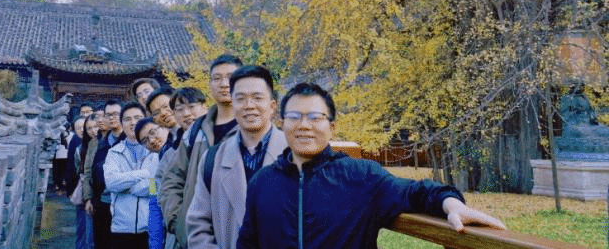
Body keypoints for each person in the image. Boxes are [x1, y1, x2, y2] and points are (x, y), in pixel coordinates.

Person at [236, 83, 506, 249]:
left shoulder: (361, 176)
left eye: (315, 117)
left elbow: (417, 192)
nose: (304, 125)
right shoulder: (262, 182)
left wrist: (452, 204)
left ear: (332, 126)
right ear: (281, 123)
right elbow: (248, 243)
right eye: (295, 116)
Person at [186, 65, 287, 249]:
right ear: (232, 105)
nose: (249, 105)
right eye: (241, 99)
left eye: (257, 98)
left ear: (272, 106)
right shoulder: (212, 159)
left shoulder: (294, 155)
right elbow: (198, 224)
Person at [159, 54, 242, 249]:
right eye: (217, 78)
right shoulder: (196, 131)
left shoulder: (252, 129)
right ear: (210, 85)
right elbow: (171, 179)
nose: (224, 84)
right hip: (192, 235)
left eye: (230, 77)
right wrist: (178, 221)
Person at [104, 101, 158, 249]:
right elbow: (111, 183)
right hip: (121, 229)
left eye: (137, 118)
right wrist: (144, 174)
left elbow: (157, 186)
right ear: (122, 123)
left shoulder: (155, 151)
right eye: (127, 119)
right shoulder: (114, 152)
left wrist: (129, 185)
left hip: (151, 228)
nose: (133, 123)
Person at [86, 100, 124, 249]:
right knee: (101, 243)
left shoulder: (133, 141)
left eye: (116, 114)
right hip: (102, 203)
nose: (112, 118)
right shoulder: (100, 143)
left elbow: (150, 177)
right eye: (108, 115)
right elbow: (90, 172)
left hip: (126, 205)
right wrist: (89, 198)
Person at [136, 118, 171, 249]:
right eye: (145, 141)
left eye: (152, 132)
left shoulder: (184, 147)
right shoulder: (153, 163)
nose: (151, 141)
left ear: (163, 126)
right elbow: (154, 200)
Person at [76, 114, 98, 249]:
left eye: (95, 126)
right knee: (89, 237)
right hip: (92, 195)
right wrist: (88, 197)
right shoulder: (89, 145)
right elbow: (85, 172)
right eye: (89, 128)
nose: (93, 131)